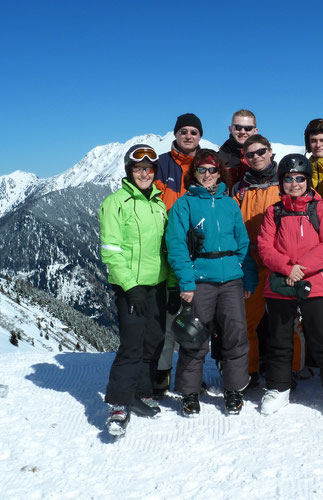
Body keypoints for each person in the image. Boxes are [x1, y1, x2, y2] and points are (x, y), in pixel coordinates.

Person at [257, 153, 323, 420]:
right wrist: (288, 268)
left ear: (307, 181)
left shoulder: (319, 208)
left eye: (299, 178)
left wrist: (302, 269)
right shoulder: (274, 211)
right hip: (281, 282)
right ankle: (278, 388)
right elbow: (265, 246)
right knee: (279, 339)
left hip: (315, 282)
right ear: (281, 181)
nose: (294, 183)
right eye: (288, 179)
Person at [166, 149, 253, 416]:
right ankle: (189, 393)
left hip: (231, 280)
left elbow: (243, 243)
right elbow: (177, 245)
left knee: (235, 336)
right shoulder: (185, 204)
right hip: (201, 279)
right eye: (202, 169)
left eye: (212, 170)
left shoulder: (229, 204)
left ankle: (234, 389)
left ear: (220, 173)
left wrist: (245, 275)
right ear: (194, 173)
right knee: (195, 337)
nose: (207, 175)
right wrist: (187, 281)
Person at [99, 144, 169, 436]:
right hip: (132, 287)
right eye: (139, 168)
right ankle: (118, 403)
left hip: (159, 284)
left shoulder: (158, 203)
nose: (144, 173)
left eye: (149, 169)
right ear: (130, 171)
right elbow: (111, 252)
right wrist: (131, 287)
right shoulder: (115, 203)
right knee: (131, 345)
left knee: (153, 341)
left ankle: (141, 392)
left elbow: (163, 249)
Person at [232, 134, 305, 388]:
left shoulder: (286, 181)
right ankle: (249, 371)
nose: (256, 157)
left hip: (280, 261)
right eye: (250, 154)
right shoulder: (240, 188)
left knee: (287, 321)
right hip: (250, 262)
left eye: (260, 151)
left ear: (270, 151)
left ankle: (291, 369)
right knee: (247, 322)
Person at [153, 112, 204, 398]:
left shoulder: (205, 163)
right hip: (166, 247)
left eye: (193, 131)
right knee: (169, 318)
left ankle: (190, 374)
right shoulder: (160, 164)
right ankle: (161, 374)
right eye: (183, 131)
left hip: (199, 250)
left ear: (199, 136)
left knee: (195, 317)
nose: (188, 136)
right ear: (175, 134)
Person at [218, 109, 258, 188]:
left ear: (255, 131)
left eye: (248, 128)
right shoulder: (218, 159)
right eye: (238, 127)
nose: (242, 132)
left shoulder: (264, 157)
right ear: (230, 129)